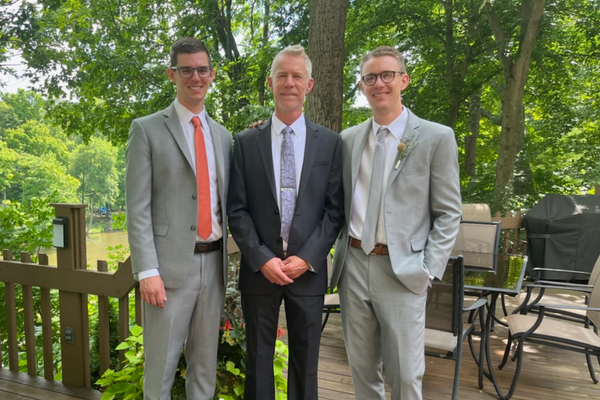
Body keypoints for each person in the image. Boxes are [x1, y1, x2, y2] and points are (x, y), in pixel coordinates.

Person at [330, 46, 462, 400]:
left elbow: (449, 212)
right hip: (354, 265)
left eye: (387, 74)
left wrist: (429, 269)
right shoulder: (348, 139)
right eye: (370, 77)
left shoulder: (437, 137)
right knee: (362, 370)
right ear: (362, 87)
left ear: (403, 79)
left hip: (404, 270)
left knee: (405, 376)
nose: (379, 83)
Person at [227, 45, 344, 400]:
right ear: (270, 83)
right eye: (282, 76)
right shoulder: (246, 143)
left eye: (297, 76)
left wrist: (307, 257)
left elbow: (334, 210)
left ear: (309, 85)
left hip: (306, 272)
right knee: (258, 360)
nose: (289, 82)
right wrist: (261, 258)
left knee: (306, 362)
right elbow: (237, 209)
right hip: (259, 271)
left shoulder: (331, 144)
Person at [125, 37, 231, 400]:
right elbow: (137, 208)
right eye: (186, 70)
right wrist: (147, 270)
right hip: (167, 274)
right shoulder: (147, 129)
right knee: (161, 369)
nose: (195, 77)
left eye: (202, 69)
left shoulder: (224, 137)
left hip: (214, 267)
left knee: (204, 367)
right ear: (172, 74)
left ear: (212, 74)